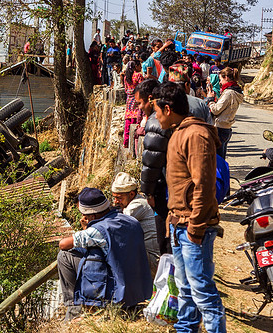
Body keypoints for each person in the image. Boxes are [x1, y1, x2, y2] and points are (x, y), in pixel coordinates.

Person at [152, 81, 226, 333]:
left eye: (157, 110)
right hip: (178, 225)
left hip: (193, 227)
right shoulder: (179, 132)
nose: (155, 116)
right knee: (184, 288)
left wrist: (196, 226)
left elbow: (204, 186)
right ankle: (186, 329)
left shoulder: (195, 135)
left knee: (203, 291)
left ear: (168, 108)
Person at [57, 188, 152, 321]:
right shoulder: (130, 220)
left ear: (92, 215)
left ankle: (74, 309)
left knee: (65, 256)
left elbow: (63, 244)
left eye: (84, 214)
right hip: (139, 291)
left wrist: (87, 228)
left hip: (118, 293)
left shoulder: (97, 231)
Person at [136, 79, 172, 256]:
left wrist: (148, 193)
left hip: (163, 188)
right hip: (174, 187)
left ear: (150, 99)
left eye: (140, 103)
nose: (140, 108)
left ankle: (169, 276)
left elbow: (151, 163)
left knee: (164, 237)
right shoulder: (172, 115)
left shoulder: (155, 122)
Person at [111, 172, 159, 277]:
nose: (115, 201)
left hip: (152, 260)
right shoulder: (130, 204)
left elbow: (118, 224)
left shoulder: (138, 205)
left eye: (119, 198)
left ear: (132, 194)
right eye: (114, 197)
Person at [205, 67, 243, 159]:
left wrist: (210, 100)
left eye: (221, 79)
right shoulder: (235, 91)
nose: (220, 82)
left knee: (217, 160)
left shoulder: (229, 93)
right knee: (221, 158)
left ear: (226, 77)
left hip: (219, 128)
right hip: (226, 128)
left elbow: (216, 110)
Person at [123, 60, 144, 148]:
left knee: (128, 122)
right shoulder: (138, 75)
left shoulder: (126, 77)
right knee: (136, 119)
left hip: (129, 99)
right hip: (136, 99)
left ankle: (126, 143)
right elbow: (142, 87)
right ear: (136, 66)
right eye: (140, 66)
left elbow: (125, 89)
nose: (141, 68)